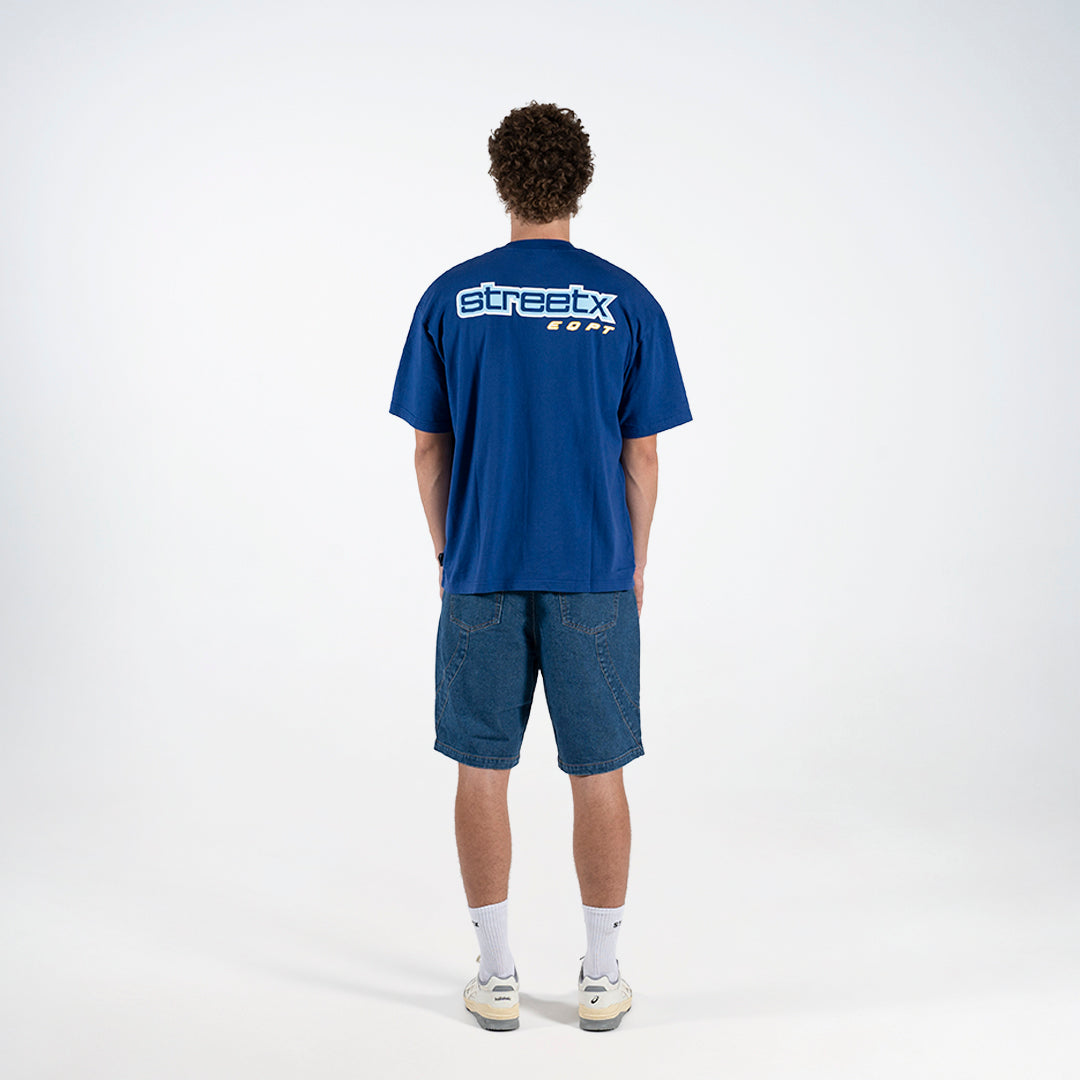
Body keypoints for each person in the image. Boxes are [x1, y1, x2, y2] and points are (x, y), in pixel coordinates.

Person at [389, 101, 692, 1032]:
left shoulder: (451, 298)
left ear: (501, 181)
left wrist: (449, 549)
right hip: (593, 571)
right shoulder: (625, 300)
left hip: (480, 569)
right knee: (598, 772)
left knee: (482, 769)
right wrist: (634, 559)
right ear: (580, 184)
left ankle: (495, 976)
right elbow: (643, 455)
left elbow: (428, 449)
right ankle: (602, 978)